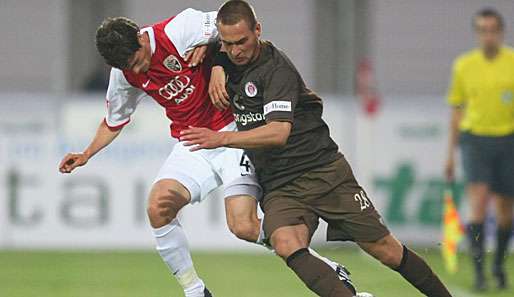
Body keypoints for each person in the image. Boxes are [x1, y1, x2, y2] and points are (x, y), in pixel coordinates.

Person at [58, 8, 358, 297]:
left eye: (137, 60)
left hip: (233, 133)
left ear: (140, 38)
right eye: (127, 68)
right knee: (158, 207)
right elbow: (114, 121)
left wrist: (214, 58)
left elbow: (232, 26)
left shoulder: (179, 29)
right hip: (194, 142)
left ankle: (327, 267)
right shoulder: (123, 75)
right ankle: (195, 290)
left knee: (243, 226)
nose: (136, 70)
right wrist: (87, 154)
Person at [181, 1, 453, 296]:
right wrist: (217, 62)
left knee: (386, 250)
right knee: (286, 243)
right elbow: (202, 43)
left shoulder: (275, 69)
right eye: (228, 44)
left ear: (258, 30)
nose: (236, 51)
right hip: (279, 185)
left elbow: (278, 132)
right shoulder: (224, 55)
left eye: (242, 42)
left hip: (323, 172)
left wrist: (221, 138)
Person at [445, 7, 514, 291]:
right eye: (483, 31)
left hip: (508, 140)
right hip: (475, 140)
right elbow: (457, 110)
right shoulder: (464, 65)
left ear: (501, 32)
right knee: (479, 203)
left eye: (493, 30)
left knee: (505, 210)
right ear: (477, 34)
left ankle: (498, 263)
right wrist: (450, 154)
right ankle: (479, 272)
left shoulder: (512, 62)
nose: (488, 36)